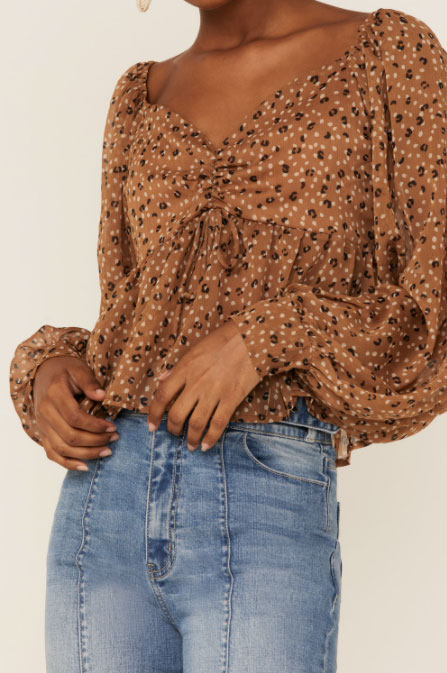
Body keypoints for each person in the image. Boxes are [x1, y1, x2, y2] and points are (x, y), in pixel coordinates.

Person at [9, 1, 447, 671]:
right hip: (105, 495)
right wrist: (47, 369)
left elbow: (430, 310)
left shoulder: (387, 56)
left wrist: (265, 336)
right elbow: (130, 315)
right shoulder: (139, 95)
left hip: (265, 498)